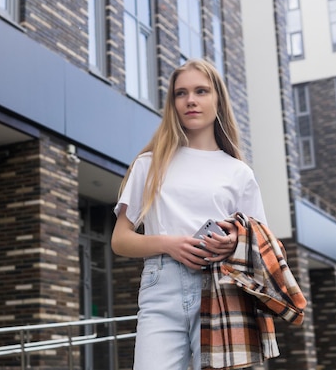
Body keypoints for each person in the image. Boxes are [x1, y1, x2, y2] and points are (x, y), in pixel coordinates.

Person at [111, 58, 267, 370]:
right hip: (161, 285)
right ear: (172, 103)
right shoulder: (149, 164)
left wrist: (232, 242)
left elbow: (260, 245)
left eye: (201, 91)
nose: (190, 100)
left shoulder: (239, 172)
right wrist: (168, 244)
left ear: (217, 99)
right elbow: (120, 240)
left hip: (222, 286)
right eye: (181, 93)